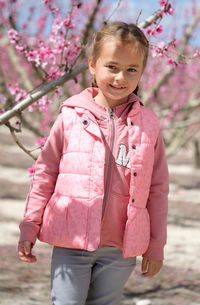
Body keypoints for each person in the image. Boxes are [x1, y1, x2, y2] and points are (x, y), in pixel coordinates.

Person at [18, 21, 169, 305]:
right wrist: (30, 224)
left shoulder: (149, 126)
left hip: (121, 247)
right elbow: (45, 173)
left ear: (142, 73)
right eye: (112, 67)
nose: (120, 77)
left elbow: (158, 189)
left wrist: (155, 245)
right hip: (70, 239)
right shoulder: (71, 116)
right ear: (92, 65)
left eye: (131, 69)